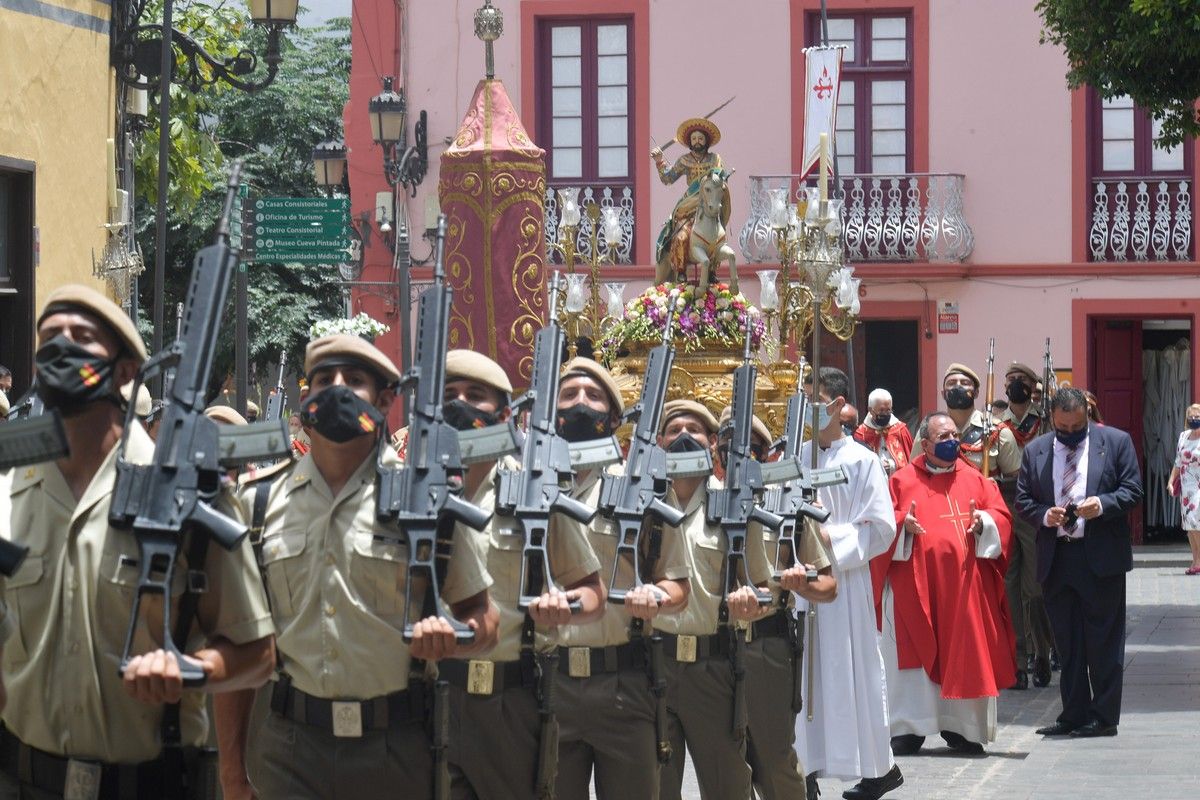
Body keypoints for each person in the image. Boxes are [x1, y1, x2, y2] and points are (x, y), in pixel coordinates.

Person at [0, 284, 276, 798]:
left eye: (81, 337)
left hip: (151, 783)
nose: (61, 348)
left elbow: (258, 653)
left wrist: (192, 669)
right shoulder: (5, 491)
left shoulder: (189, 498)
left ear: (125, 371)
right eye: (49, 339)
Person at [215, 335, 498, 800]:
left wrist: (455, 634)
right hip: (291, 751)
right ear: (306, 398)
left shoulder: (425, 501)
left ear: (386, 399)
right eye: (324, 380)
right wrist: (231, 775)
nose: (337, 389)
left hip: (398, 750)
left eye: (355, 380)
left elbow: (484, 619)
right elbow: (238, 643)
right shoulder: (258, 504)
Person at [437, 349, 606, 800]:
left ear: (505, 413)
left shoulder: (535, 486)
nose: (461, 404)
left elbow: (592, 591)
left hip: (510, 702)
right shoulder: (408, 484)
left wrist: (564, 607)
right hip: (424, 699)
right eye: (449, 394)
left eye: (476, 395)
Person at [553, 357, 691, 799]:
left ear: (614, 417)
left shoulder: (642, 489)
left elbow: (679, 584)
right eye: (569, 394)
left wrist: (657, 596)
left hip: (624, 684)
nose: (580, 404)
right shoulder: (527, 484)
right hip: (547, 682)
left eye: (593, 396)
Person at [714, 407, 837, 800]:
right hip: (711, 648)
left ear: (766, 457)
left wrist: (803, 584)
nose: (740, 459)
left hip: (765, 645)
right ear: (717, 457)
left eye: (751, 449)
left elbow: (829, 584)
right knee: (725, 764)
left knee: (774, 759)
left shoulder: (786, 505)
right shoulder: (701, 503)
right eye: (731, 450)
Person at [654, 399, 772, 800]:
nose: (683, 436)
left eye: (695, 430)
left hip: (713, 666)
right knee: (655, 785)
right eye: (674, 430)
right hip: (652, 667)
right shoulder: (642, 504)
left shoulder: (735, 505)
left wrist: (750, 600)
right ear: (659, 441)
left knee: (727, 785)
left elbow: (763, 587)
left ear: (711, 445)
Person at [881, 411, 1016, 757]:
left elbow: (1001, 517)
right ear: (924, 444)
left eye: (954, 435)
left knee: (966, 651)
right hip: (918, 586)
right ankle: (910, 728)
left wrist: (983, 522)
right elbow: (882, 525)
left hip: (965, 588)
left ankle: (963, 729)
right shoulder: (901, 481)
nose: (952, 441)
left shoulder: (976, 479)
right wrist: (901, 526)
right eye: (943, 437)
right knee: (915, 654)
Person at [796, 367, 902, 800]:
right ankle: (802, 769)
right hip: (801, 584)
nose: (804, 409)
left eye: (813, 400)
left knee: (854, 671)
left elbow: (881, 527)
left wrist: (830, 540)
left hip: (845, 583)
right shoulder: (797, 455)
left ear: (837, 406)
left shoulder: (861, 460)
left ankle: (879, 769)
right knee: (802, 677)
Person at [1017, 388, 1143, 738]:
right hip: (1057, 558)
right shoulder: (1036, 450)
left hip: (1100, 558)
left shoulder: (1116, 442)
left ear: (1087, 415)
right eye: (1063, 427)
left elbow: (1133, 490)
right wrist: (1045, 515)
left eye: (1077, 427)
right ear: (1053, 420)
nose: (1070, 434)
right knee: (1067, 643)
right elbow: (1023, 500)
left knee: (1103, 641)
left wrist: (1100, 505)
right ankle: (1073, 713)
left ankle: (1103, 717)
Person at [997, 362, 1055, 690]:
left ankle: (1043, 651)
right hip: (1004, 501)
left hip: (1033, 505)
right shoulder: (995, 423)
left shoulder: (1044, 420)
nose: (1015, 385)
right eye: (1010, 380)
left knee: (1035, 589)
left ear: (1031, 386)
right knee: (1009, 585)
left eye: (1020, 380)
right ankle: (1018, 660)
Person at [651, 118, 732, 283]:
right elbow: (668, 179)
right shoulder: (684, 160)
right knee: (681, 237)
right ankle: (680, 271)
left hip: (708, 203)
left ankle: (711, 270)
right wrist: (659, 161)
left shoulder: (715, 159)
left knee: (718, 234)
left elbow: (720, 182)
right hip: (690, 205)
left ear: (706, 141)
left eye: (700, 138)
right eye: (694, 138)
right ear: (689, 141)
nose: (697, 141)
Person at [920, 364, 1020, 481]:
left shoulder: (998, 432)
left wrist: (994, 483)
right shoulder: (929, 430)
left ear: (976, 393)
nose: (958, 386)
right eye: (951, 383)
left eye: (965, 383)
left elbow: (1014, 481)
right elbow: (915, 471)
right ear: (943, 394)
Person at [1167, 402, 1200, 575]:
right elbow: (1178, 461)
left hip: (1199, 483)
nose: (1194, 419)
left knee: (1196, 522)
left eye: (1197, 416)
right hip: (1186, 485)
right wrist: (1171, 481)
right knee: (1189, 524)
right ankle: (1195, 560)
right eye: (1191, 416)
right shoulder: (1183, 436)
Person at [854, 388, 914, 477]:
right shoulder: (861, 434)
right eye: (881, 410)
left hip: (897, 482)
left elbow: (911, 460)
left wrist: (892, 465)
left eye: (888, 410)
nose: (885, 414)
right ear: (870, 410)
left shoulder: (900, 430)